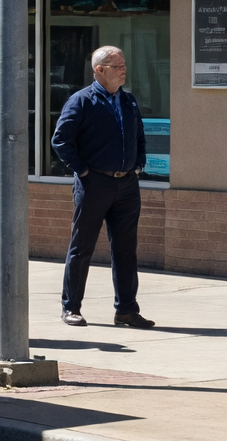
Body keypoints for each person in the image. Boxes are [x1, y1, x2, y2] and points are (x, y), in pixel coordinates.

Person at [52, 45, 153, 329]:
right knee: (81, 248)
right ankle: (71, 307)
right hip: (94, 183)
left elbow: (139, 137)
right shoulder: (81, 101)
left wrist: (138, 163)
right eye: (117, 65)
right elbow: (61, 141)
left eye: (123, 64)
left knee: (125, 249)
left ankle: (126, 310)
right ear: (100, 70)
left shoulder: (129, 101)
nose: (123, 70)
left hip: (127, 186)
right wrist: (83, 170)